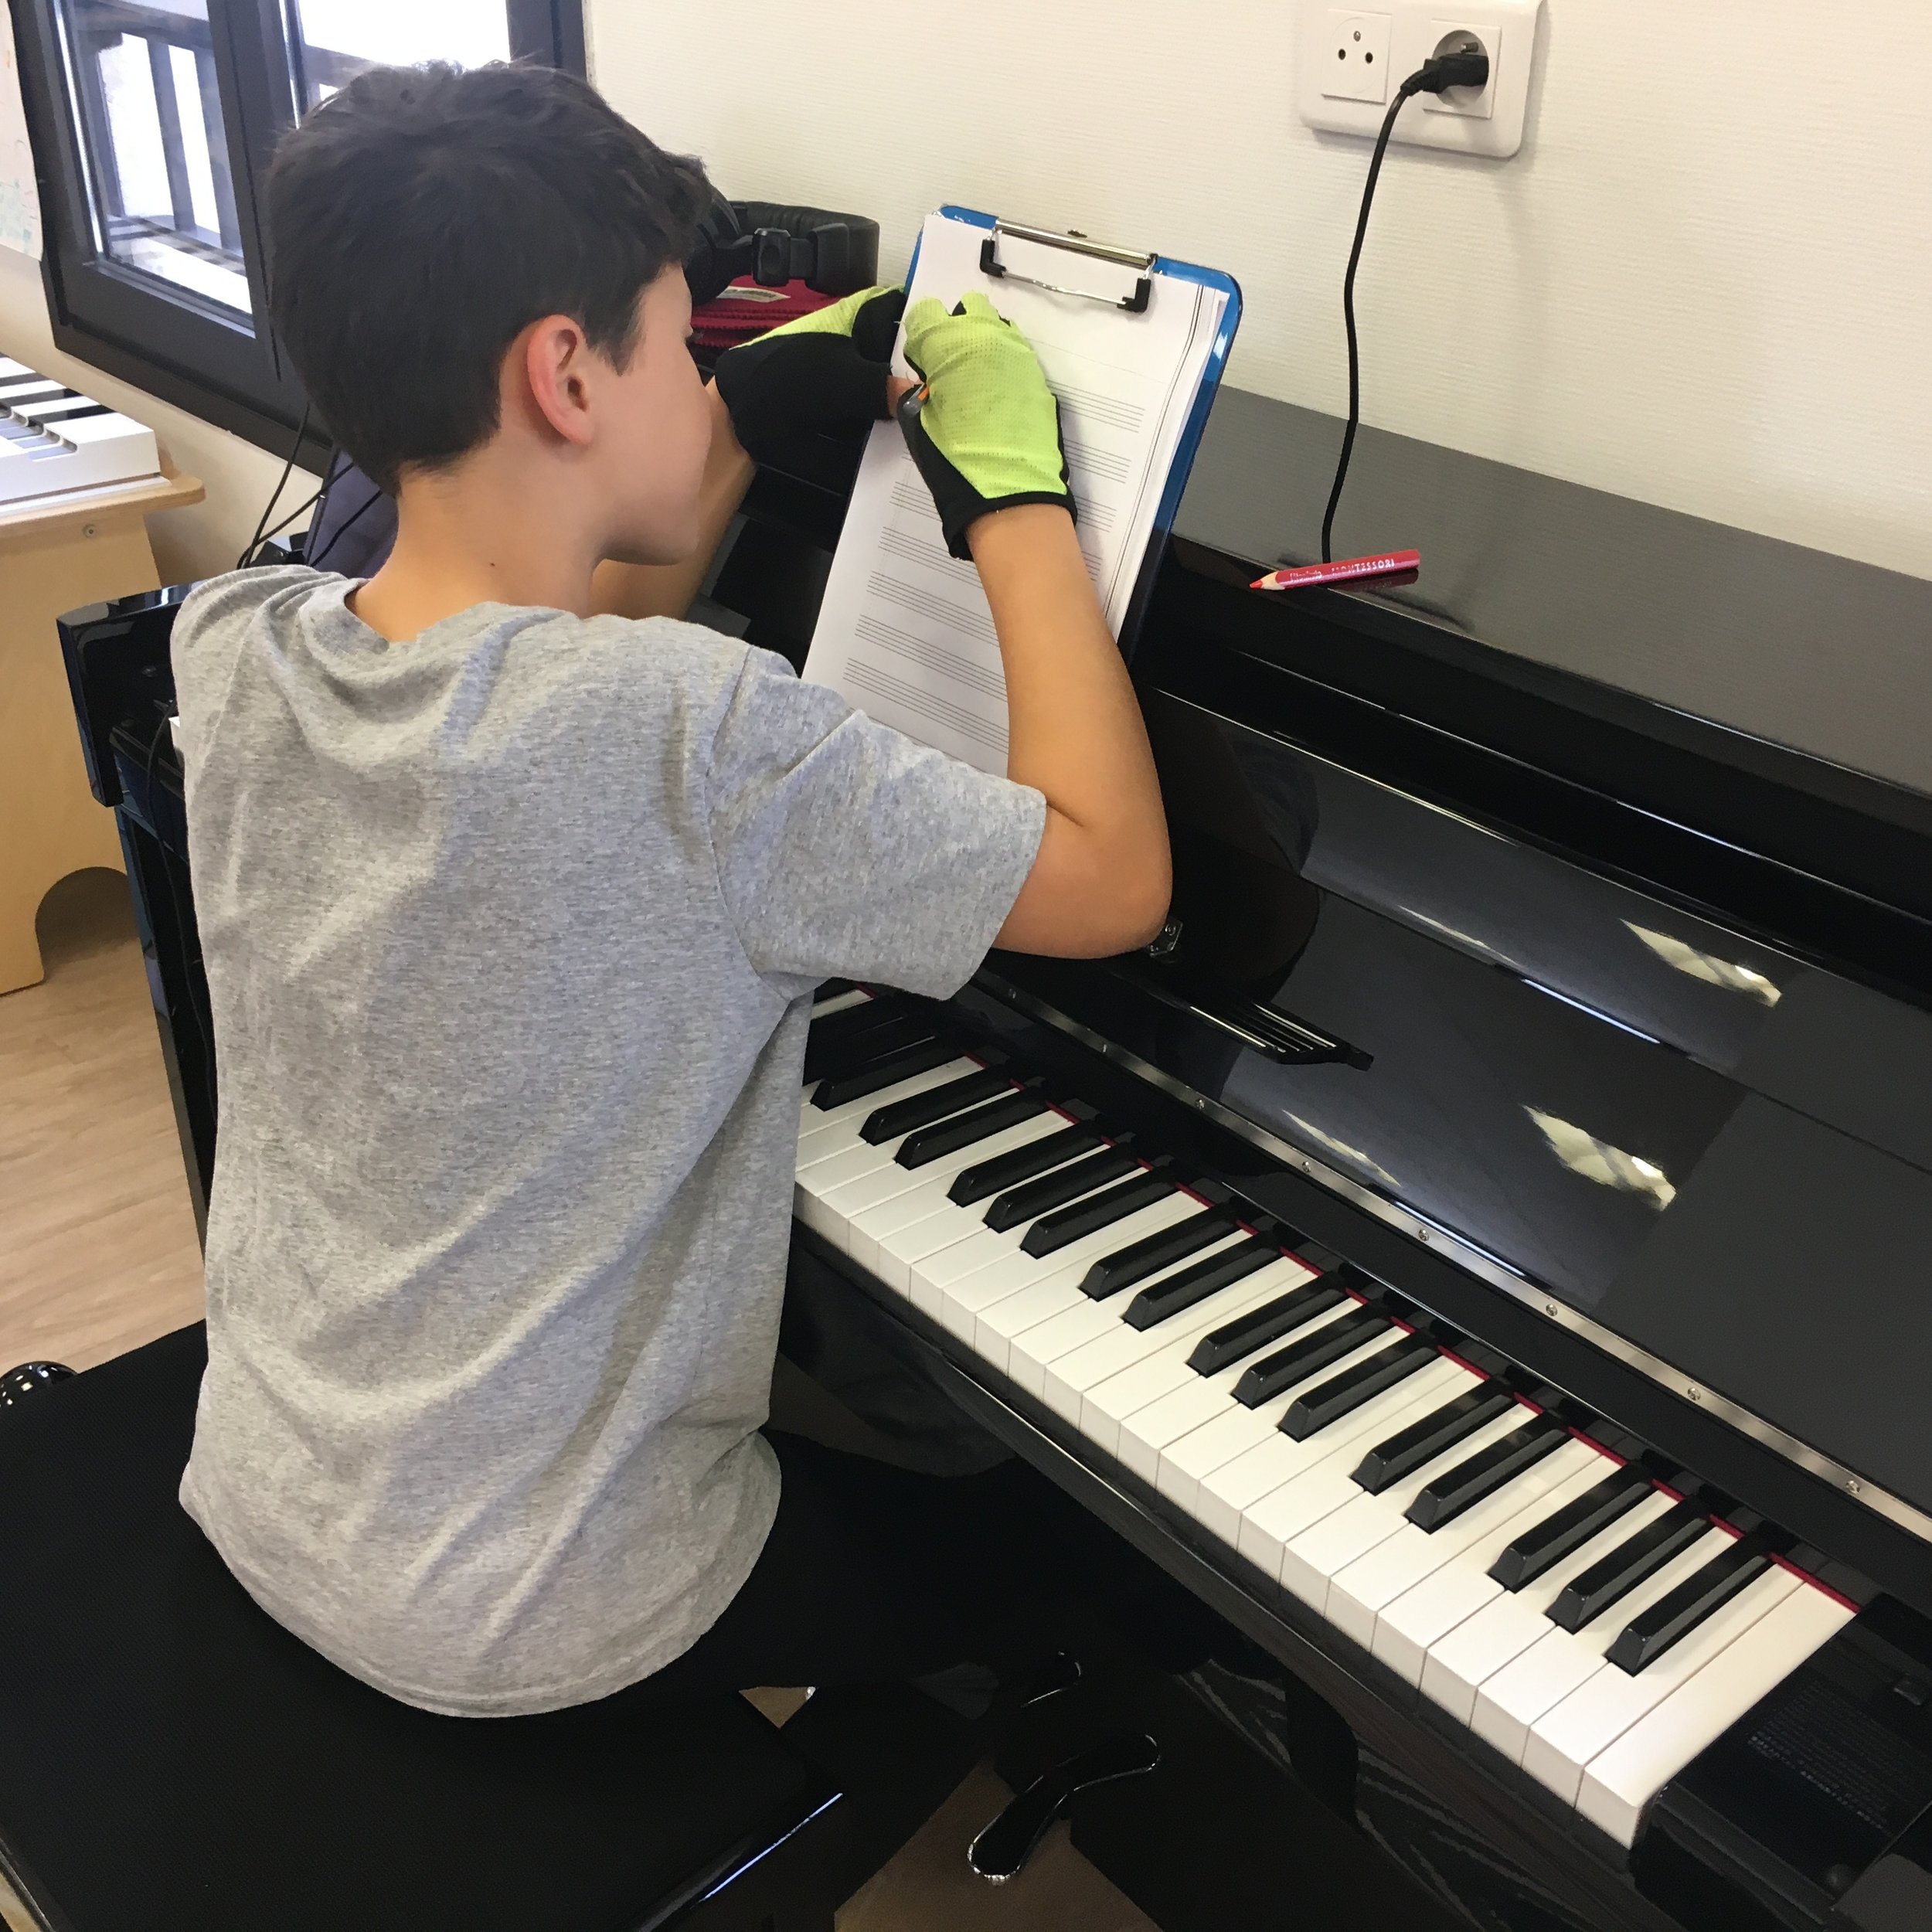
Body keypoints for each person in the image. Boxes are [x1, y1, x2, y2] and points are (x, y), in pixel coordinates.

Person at [171, 59, 1170, 1723]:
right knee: (1088, 1539)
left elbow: (541, 682)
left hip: (282, 1486)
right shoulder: (694, 734)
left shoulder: (234, 648)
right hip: (528, 1612)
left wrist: (714, 449)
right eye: (676, 334)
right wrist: (1011, 499)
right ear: (564, 370)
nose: (705, 369)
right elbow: (1110, 875)